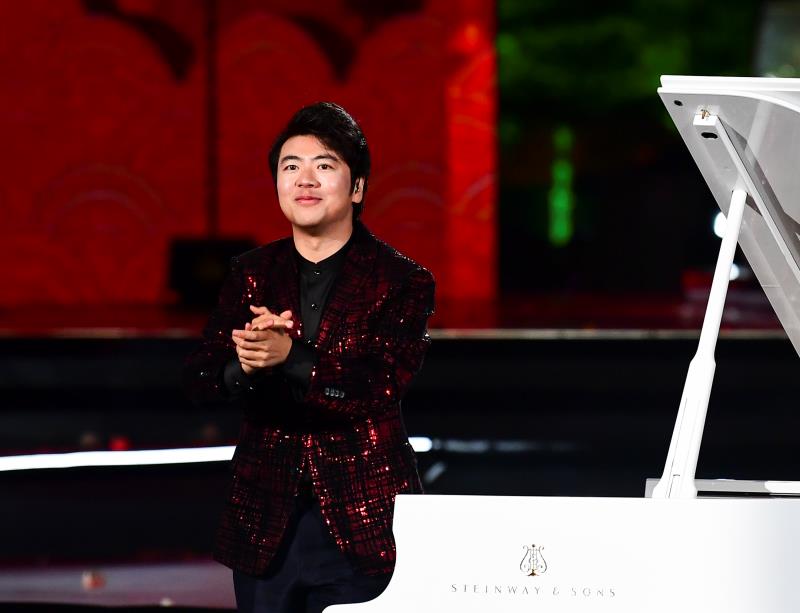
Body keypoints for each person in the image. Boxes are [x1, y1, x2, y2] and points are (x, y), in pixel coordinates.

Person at [185, 102, 436, 613]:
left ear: (357, 187)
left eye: (324, 165)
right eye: (291, 166)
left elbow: (380, 385)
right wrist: (246, 363)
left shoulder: (402, 280)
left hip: (362, 523)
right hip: (265, 522)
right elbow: (200, 379)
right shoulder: (251, 273)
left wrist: (291, 356)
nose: (305, 179)